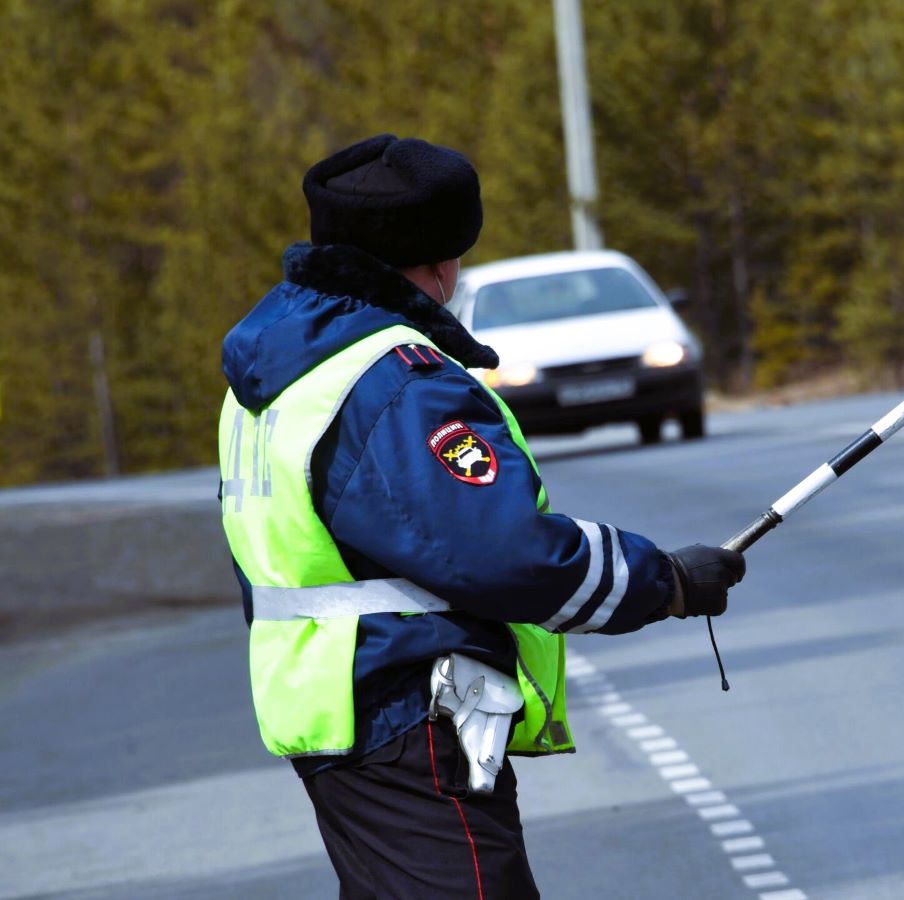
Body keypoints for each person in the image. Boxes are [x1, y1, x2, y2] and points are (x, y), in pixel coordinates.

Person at [217, 133, 746, 899]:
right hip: (405, 712)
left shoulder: (275, 368)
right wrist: (663, 581)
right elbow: (507, 555)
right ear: (438, 262)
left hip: (324, 705)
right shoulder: (396, 381)